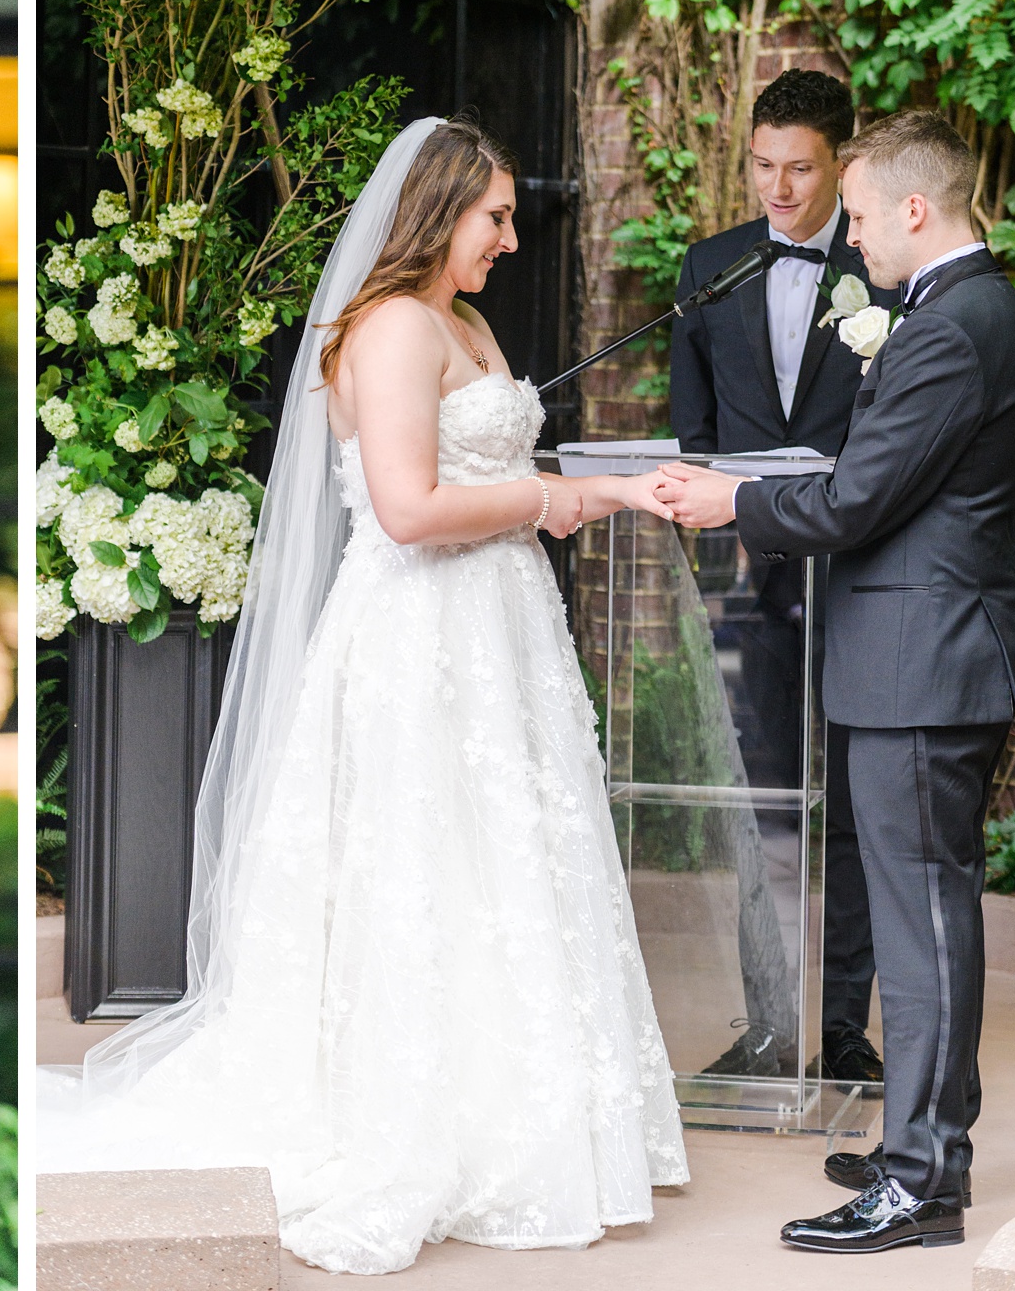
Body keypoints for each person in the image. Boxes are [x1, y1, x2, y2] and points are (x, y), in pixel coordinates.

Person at [39, 117, 689, 1273]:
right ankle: (410, 1121)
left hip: (497, 640)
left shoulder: (467, 322)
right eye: (493, 215)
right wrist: (550, 499)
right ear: (437, 211)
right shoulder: (392, 327)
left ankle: (510, 1115)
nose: (507, 237)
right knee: (422, 869)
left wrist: (576, 494)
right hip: (421, 637)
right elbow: (407, 508)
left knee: (499, 868)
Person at [657, 109, 1015, 1255]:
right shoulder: (967, 314)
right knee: (923, 914)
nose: (856, 234)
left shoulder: (949, 329)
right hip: (921, 657)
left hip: (925, 666)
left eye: (867, 213)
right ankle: (921, 1142)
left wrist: (734, 499)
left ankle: (924, 1178)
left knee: (924, 925)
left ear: (916, 210)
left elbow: (856, 501)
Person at [669, 68, 892, 1087]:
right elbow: (696, 435)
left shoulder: (888, 272)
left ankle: (843, 1025)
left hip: (869, 580)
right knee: (760, 805)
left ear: (839, 163)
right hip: (754, 587)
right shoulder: (708, 268)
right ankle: (768, 1021)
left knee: (850, 805)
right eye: (763, 165)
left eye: (798, 168)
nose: (777, 186)